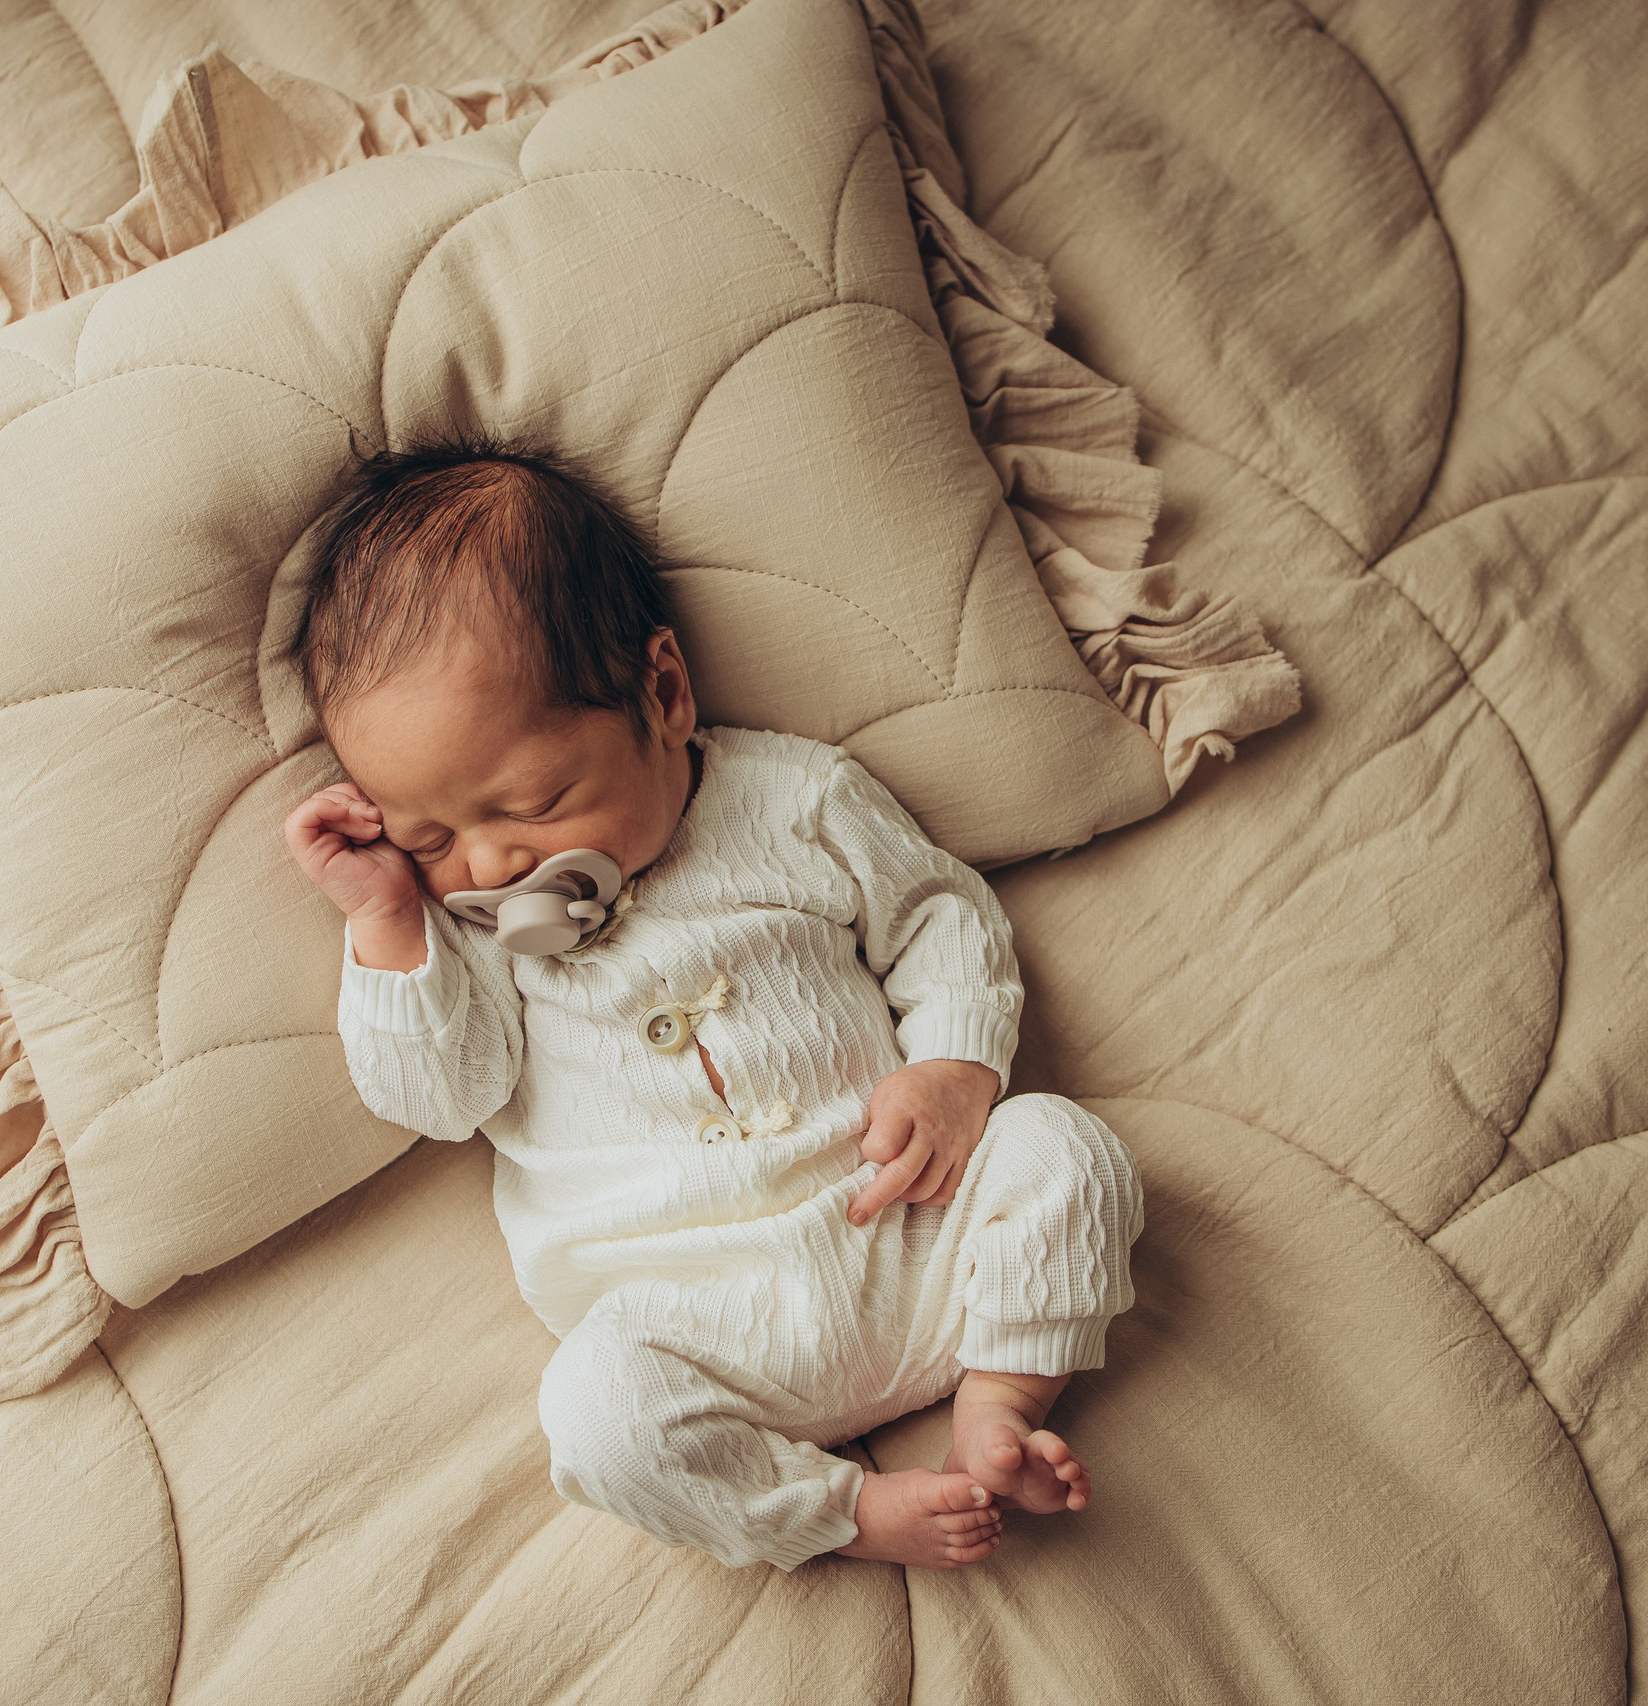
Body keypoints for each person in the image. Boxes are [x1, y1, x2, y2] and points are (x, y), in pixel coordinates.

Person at [281, 441, 1142, 1571]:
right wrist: (387, 919)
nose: (489, 860)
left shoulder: (794, 797)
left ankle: (998, 1398)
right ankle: (841, 1510)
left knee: (1064, 1148)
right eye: (430, 834)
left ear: (664, 690)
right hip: (696, 1324)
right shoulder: (462, 929)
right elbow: (442, 1098)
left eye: (533, 801)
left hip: (906, 1226)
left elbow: (940, 916)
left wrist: (954, 1067)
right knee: (593, 1413)